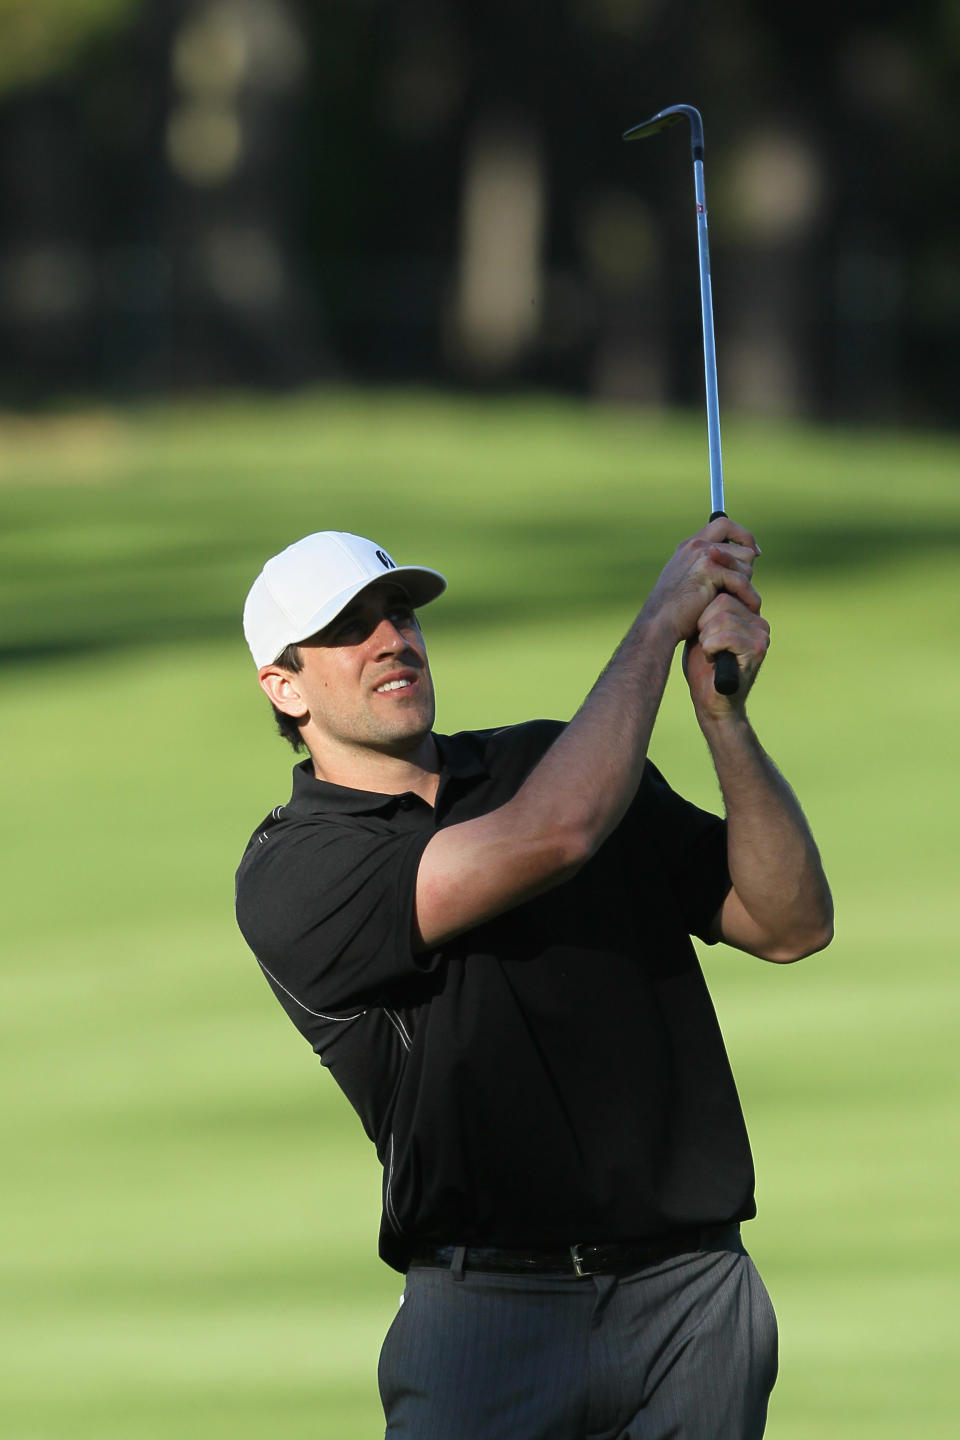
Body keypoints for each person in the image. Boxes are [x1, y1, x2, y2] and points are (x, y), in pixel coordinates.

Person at [235, 522, 833, 1440]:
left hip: (694, 1305)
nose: (392, 638)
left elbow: (790, 923)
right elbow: (553, 837)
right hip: (488, 1321)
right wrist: (656, 623)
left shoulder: (554, 760)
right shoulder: (294, 870)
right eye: (349, 627)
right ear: (284, 685)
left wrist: (726, 722)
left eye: (400, 614)